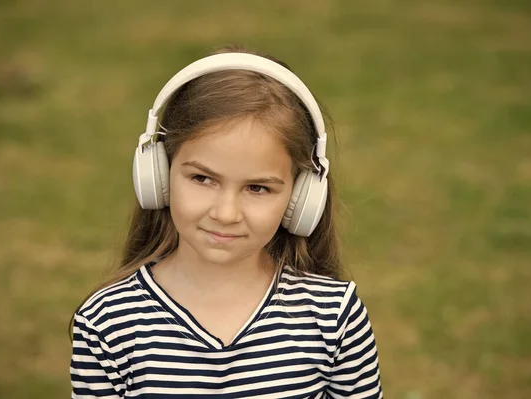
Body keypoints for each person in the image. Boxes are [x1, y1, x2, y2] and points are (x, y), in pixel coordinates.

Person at [70, 45, 383, 398]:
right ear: (158, 174)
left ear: (300, 198)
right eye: (203, 179)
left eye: (258, 188)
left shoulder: (333, 316)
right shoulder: (108, 322)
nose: (226, 213)